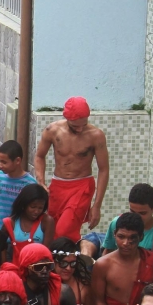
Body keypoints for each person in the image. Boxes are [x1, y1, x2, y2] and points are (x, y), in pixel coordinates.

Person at [33, 97, 110, 240]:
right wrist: (41, 181)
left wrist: (97, 205)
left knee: (64, 232)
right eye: (75, 126)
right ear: (66, 118)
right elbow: (39, 156)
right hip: (58, 185)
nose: (80, 129)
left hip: (82, 186)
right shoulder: (52, 130)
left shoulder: (95, 136)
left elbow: (104, 169)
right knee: (50, 229)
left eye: (84, 124)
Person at [0, 141, 37, 226]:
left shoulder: (30, 183)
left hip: (20, 234)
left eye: (4, 162)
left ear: (17, 161)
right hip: (0, 232)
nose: (0, 165)